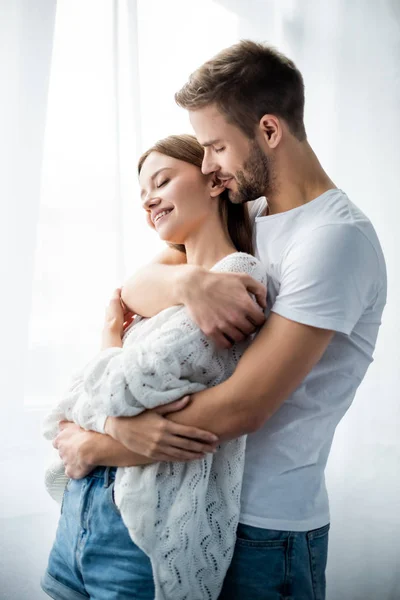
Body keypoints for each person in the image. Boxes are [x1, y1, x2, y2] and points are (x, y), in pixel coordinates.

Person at [55, 40, 387, 599]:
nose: (208, 165)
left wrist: (101, 442)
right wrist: (190, 282)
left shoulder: (334, 240)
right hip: (196, 504)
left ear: (269, 131)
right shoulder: (252, 214)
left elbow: (244, 407)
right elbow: (136, 286)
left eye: (216, 147)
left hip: (266, 531)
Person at [41, 134, 267, 600]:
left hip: (141, 535)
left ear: (212, 182)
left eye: (161, 182)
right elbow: (67, 404)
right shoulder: (166, 287)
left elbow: (119, 387)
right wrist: (109, 426)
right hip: (81, 515)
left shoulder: (235, 279)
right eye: (143, 195)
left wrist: (108, 341)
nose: (149, 200)